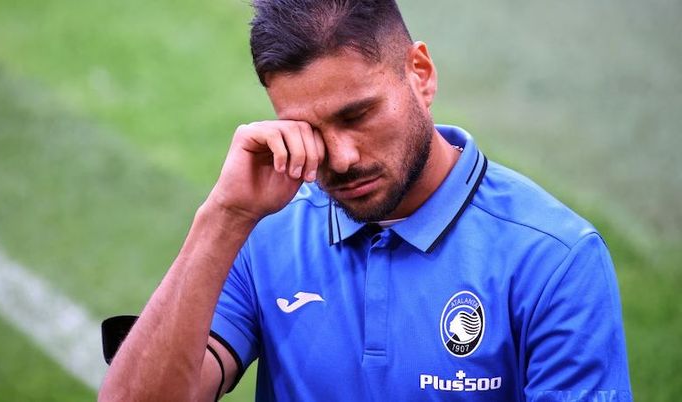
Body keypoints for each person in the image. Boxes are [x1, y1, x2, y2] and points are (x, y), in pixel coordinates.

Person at [98, 1, 633, 401]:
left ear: (419, 75)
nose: (343, 157)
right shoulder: (265, 230)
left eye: (357, 115)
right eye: (307, 128)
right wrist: (223, 218)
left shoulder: (555, 260)